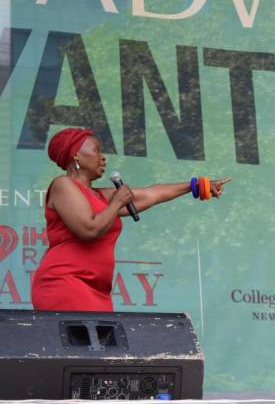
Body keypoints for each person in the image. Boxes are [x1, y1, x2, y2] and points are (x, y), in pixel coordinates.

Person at [32, 127, 231, 312]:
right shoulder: (63, 185)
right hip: (66, 282)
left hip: (98, 290)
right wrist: (117, 202)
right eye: (97, 151)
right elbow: (89, 230)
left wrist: (197, 185)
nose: (103, 158)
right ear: (76, 154)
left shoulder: (101, 196)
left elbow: (152, 194)